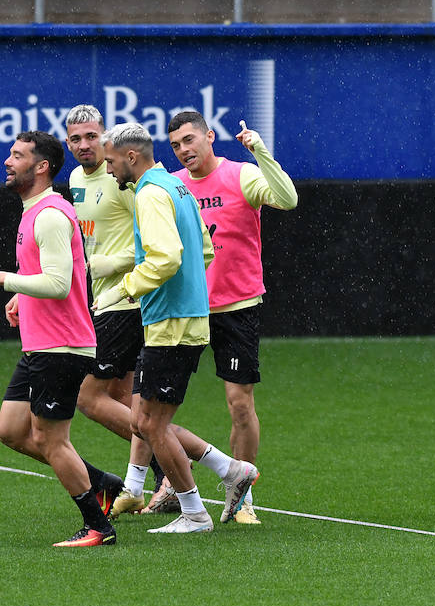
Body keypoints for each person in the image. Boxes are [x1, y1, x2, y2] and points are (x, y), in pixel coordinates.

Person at [93, 122, 260, 533]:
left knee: (150, 424)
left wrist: (129, 289)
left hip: (171, 322)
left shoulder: (151, 193)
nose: (109, 170)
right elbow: (203, 249)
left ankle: (195, 513)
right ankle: (230, 470)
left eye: (112, 162)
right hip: (182, 315)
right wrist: (188, 291)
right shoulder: (177, 186)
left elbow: (166, 258)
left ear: (131, 157)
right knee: (144, 420)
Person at [0, 130, 119, 547]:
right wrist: (21, 293)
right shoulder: (33, 210)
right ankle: (99, 481)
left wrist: (4, 279)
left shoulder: (51, 215)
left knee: (50, 439)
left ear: (41, 167)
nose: (7, 161)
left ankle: (98, 526)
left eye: (17, 156)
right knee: (11, 430)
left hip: (62, 346)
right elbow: (51, 275)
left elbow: (58, 283)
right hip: (40, 345)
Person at [170, 111, 298, 524]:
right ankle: (158, 485)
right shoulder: (172, 186)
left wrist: (260, 150)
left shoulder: (242, 175)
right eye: (176, 145)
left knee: (239, 405)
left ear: (209, 136)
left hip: (236, 307)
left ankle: (241, 497)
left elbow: (288, 199)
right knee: (151, 406)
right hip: (185, 308)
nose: (184, 150)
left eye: (190, 140)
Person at [63, 105, 169, 515]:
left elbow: (149, 237)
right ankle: (162, 479)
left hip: (126, 300)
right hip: (102, 300)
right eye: (76, 139)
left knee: (89, 398)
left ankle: (179, 464)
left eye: (92, 136)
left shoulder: (122, 180)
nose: (85, 145)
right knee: (126, 399)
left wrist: (113, 263)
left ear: (105, 135)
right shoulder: (74, 179)